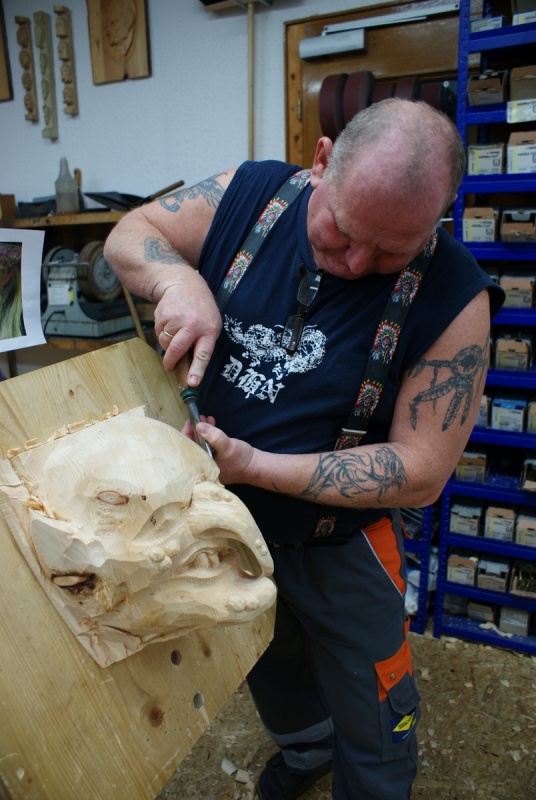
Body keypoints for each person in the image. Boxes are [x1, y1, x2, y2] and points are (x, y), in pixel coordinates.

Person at [104, 98, 504, 800]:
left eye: (391, 251)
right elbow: (129, 233)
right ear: (321, 162)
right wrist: (178, 280)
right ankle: (306, 750)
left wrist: (256, 467)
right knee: (267, 658)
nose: (357, 263)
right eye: (342, 232)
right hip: (224, 523)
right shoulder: (254, 192)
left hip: (340, 542)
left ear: (437, 221)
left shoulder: (455, 296)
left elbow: (420, 471)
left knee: (375, 700)